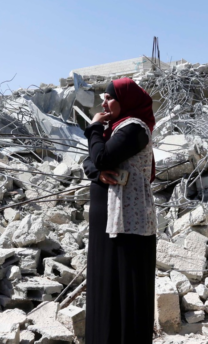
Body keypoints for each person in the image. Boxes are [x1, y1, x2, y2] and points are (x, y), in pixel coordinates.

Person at [82, 77, 157, 344]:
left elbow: (100, 157)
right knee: (105, 286)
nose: (103, 103)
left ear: (126, 100)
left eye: (109, 98)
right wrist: (97, 173)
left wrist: (93, 128)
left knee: (126, 290)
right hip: (108, 223)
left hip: (128, 223)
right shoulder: (114, 130)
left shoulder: (133, 129)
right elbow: (90, 162)